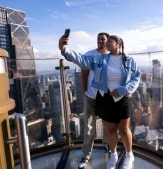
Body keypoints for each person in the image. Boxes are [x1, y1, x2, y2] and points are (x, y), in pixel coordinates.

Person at [59, 34, 140, 169]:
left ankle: (129, 155)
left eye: (110, 41)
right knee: (110, 129)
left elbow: (136, 77)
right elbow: (82, 60)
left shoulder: (129, 60)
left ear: (118, 43)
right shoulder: (100, 59)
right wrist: (64, 50)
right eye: (106, 41)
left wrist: (124, 90)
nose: (106, 43)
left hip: (123, 98)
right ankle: (113, 156)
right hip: (106, 97)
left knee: (124, 129)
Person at [78, 32, 110, 169]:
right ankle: (86, 155)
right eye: (98, 39)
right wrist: (85, 91)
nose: (100, 41)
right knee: (89, 127)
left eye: (103, 39)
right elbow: (84, 74)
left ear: (108, 41)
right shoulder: (89, 54)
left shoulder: (112, 56)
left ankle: (108, 146)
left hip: (106, 97)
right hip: (91, 96)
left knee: (107, 125)